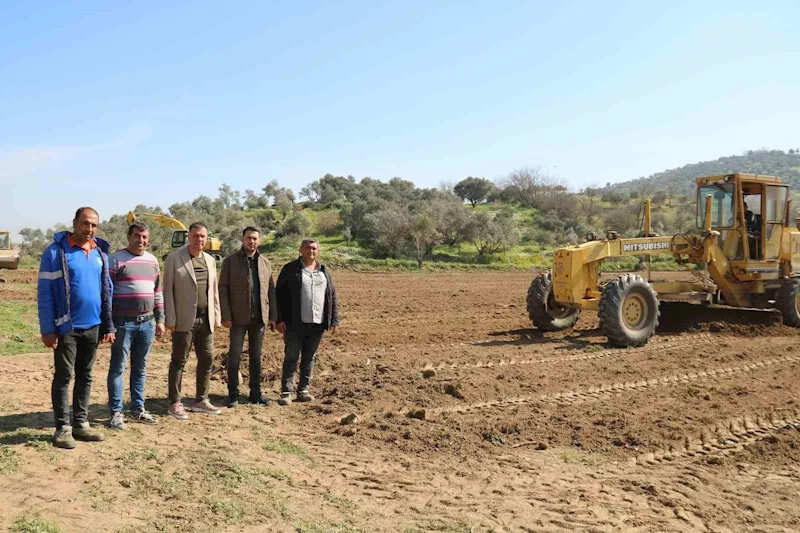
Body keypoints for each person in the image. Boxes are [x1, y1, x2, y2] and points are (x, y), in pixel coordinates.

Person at [37, 207, 115, 449]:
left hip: (93, 326)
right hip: (65, 328)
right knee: (64, 376)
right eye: (85, 223)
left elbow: (107, 291)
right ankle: (63, 428)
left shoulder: (100, 253)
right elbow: (45, 294)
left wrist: (107, 324)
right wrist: (48, 328)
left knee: (86, 376)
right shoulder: (55, 252)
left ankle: (81, 423)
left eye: (93, 225)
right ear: (74, 223)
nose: (89, 229)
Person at [106, 222, 165, 429]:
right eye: (137, 236)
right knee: (118, 368)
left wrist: (160, 320)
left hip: (147, 323)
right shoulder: (115, 260)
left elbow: (157, 292)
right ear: (128, 236)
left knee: (140, 368)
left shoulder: (152, 261)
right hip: (123, 324)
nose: (141, 240)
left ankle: (137, 409)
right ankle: (116, 412)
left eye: (145, 237)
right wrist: (110, 325)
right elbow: (107, 295)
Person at [163, 222, 222, 419]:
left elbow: (213, 291)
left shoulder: (209, 260)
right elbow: (167, 291)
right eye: (196, 236)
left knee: (207, 359)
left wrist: (216, 316)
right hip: (183, 319)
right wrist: (169, 318)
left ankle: (201, 400)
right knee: (179, 360)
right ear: (189, 236)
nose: (199, 240)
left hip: (206, 320)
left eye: (203, 236)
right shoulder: (174, 259)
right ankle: (175, 403)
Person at [275, 238, 339, 406]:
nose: (311, 251)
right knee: (291, 356)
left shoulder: (323, 271)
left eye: (314, 248)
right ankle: (286, 392)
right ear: (300, 250)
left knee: (309, 357)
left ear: (318, 251)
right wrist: (279, 319)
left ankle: (303, 391)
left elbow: (331, 295)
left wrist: (333, 319)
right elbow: (279, 296)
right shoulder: (290, 270)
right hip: (295, 323)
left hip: (317, 323)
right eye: (308, 248)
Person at [220, 227, 277, 407]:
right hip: (237, 318)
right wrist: (226, 315)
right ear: (242, 239)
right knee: (235, 356)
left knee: (256, 357)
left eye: (255, 239)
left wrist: (273, 316)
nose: (251, 242)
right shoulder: (230, 262)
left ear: (258, 240)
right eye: (248, 238)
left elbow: (271, 291)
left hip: (259, 319)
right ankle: (233, 394)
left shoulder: (265, 263)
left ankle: (255, 393)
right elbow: (223, 290)